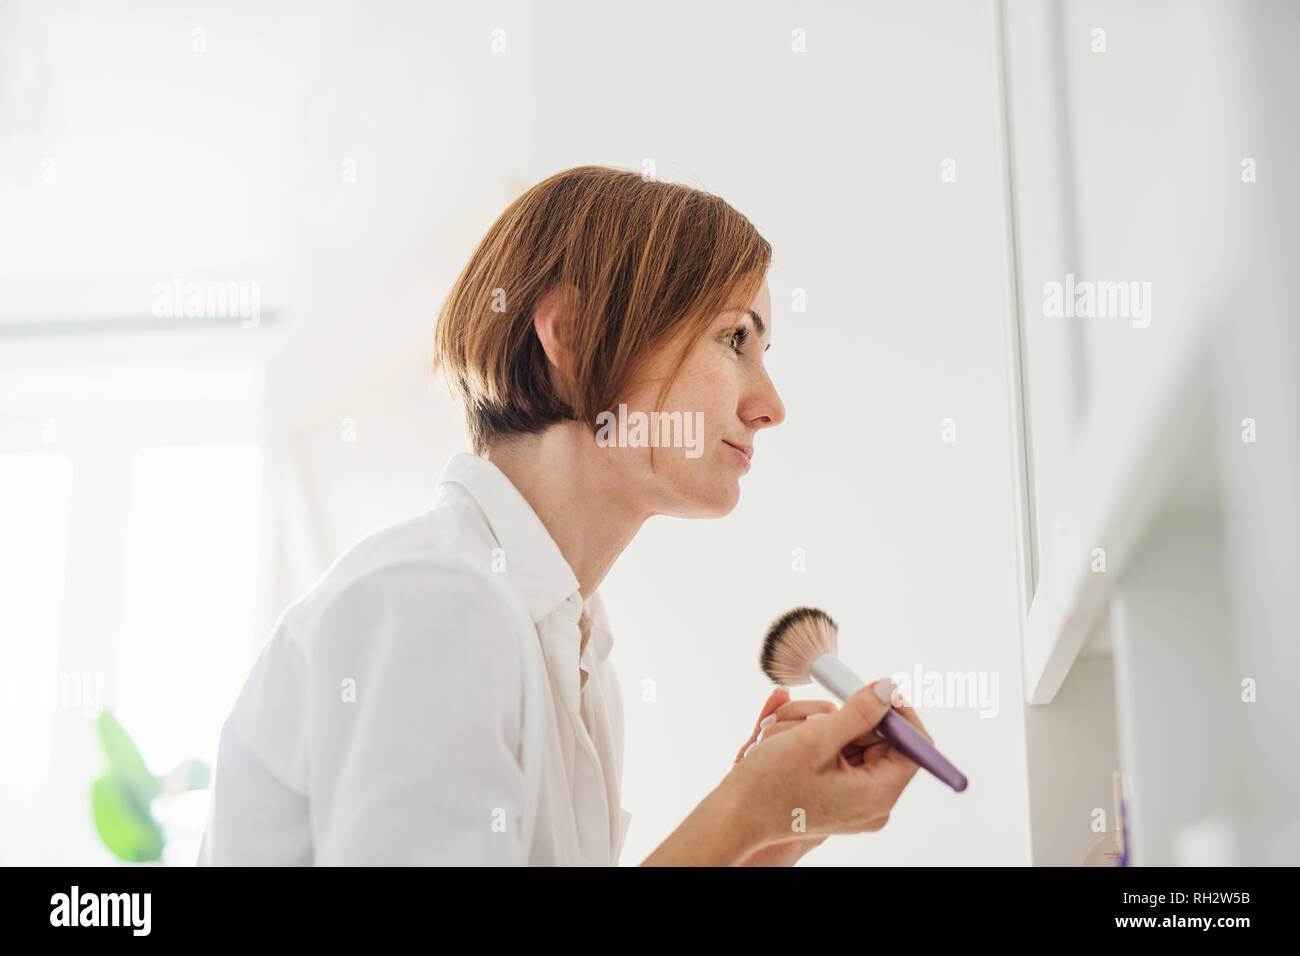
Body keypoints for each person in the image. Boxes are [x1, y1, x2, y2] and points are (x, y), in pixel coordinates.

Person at [197, 165, 932, 866]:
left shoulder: (580, 666)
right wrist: (739, 814)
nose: (770, 405)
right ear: (573, 337)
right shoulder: (438, 602)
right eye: (735, 338)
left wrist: (762, 840)